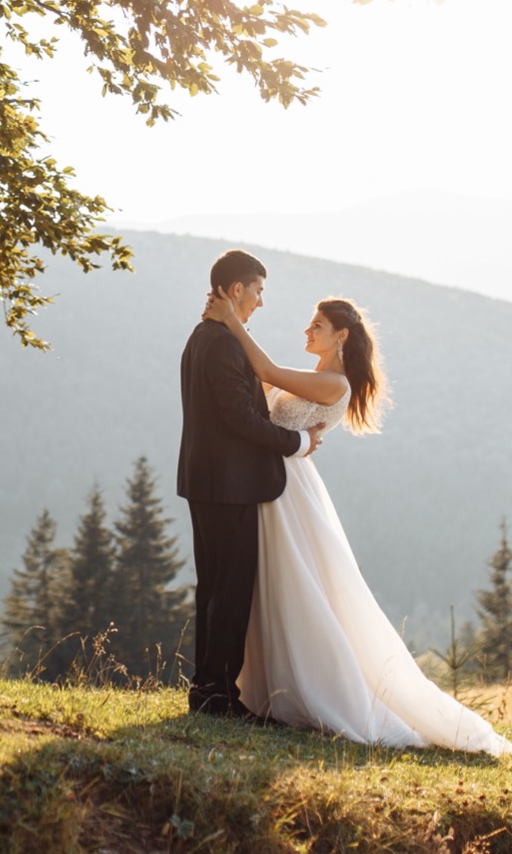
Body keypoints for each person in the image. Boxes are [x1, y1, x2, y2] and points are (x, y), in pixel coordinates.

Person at [200, 288, 512, 755]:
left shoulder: (336, 385)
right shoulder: (312, 376)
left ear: (341, 335)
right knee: (272, 583)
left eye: (317, 326)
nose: (306, 331)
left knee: (297, 584)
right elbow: (257, 388)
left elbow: (265, 372)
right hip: (270, 477)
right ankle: (259, 688)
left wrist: (232, 321)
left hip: (287, 486)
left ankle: (318, 689)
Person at [177, 249, 324, 717]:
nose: (261, 302)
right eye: (258, 291)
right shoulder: (220, 342)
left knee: (215, 588)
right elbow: (238, 416)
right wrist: (296, 441)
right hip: (228, 484)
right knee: (230, 590)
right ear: (236, 290)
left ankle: (210, 690)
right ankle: (217, 695)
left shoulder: (205, 337)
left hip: (210, 481)